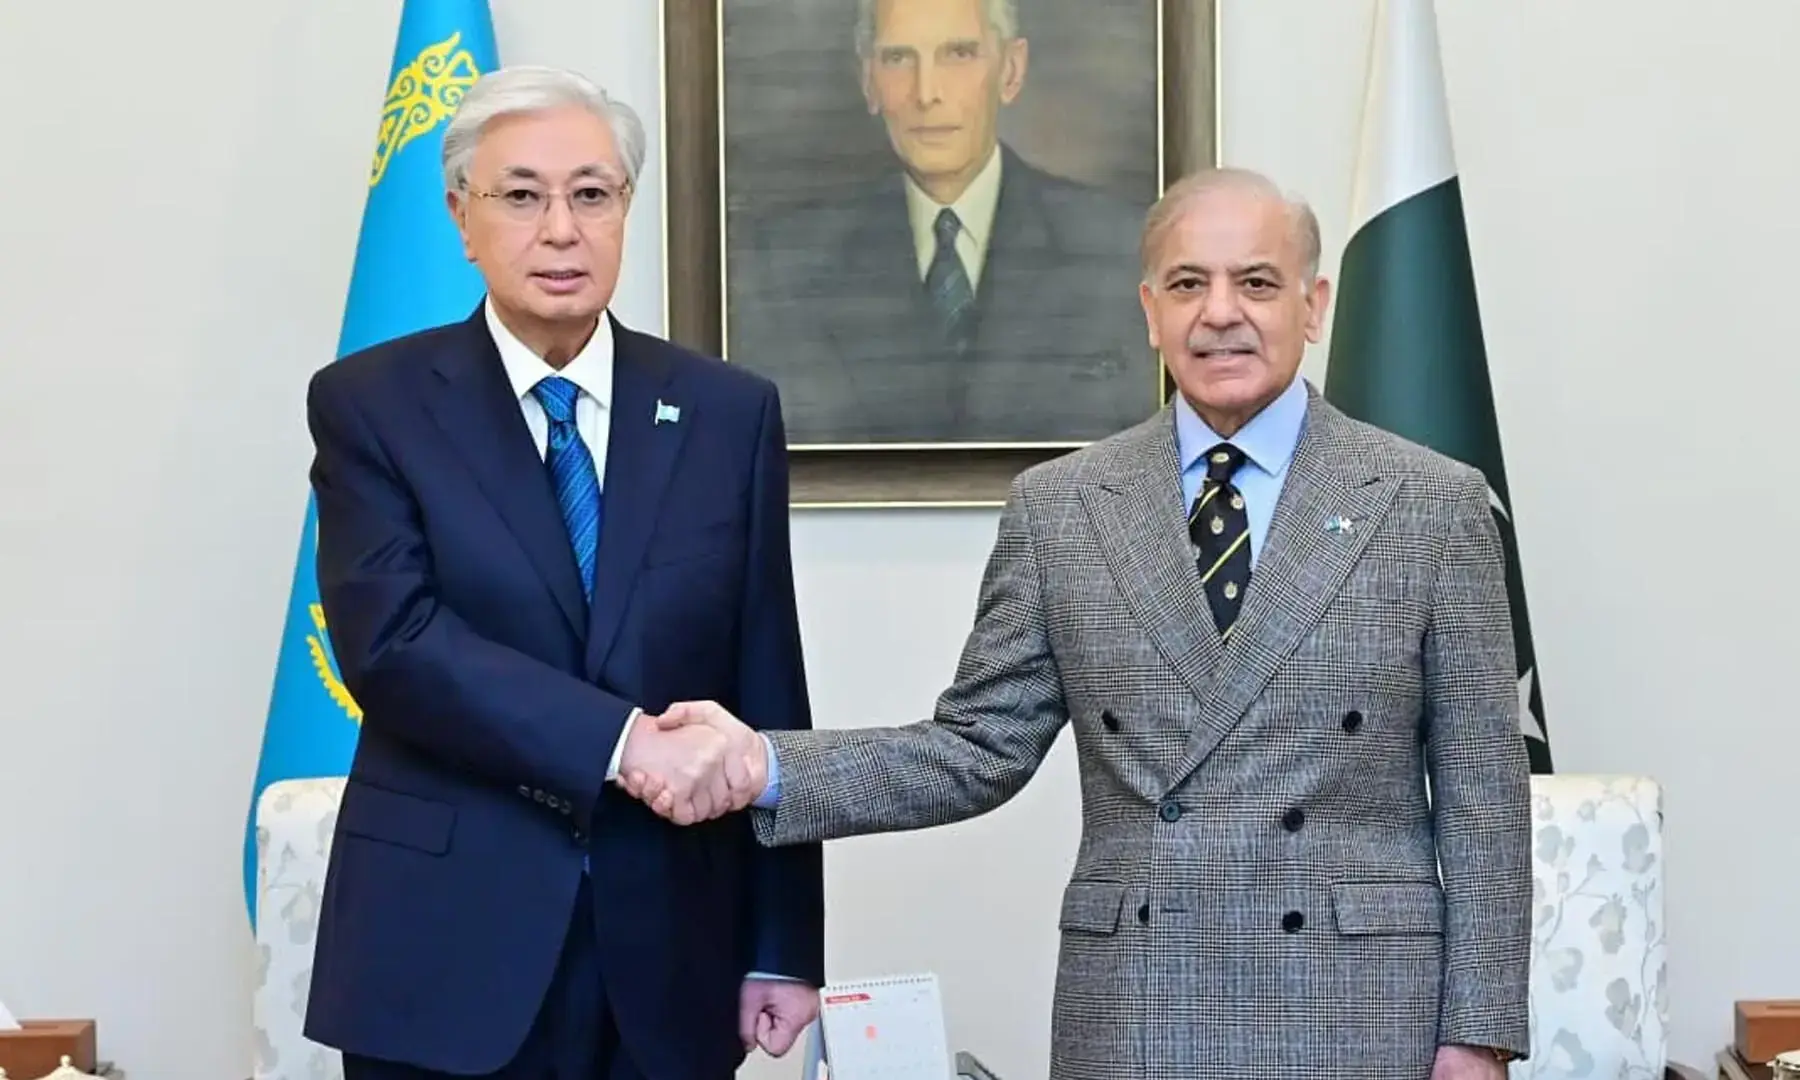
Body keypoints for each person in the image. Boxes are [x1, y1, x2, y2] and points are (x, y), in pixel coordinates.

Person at [631, 167, 1534, 1079]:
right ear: (1151, 311)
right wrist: (765, 764)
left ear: (1314, 303)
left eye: (1256, 282)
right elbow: (976, 746)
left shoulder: (1430, 504)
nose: (1221, 313)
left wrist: (1481, 1031)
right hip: (1139, 1006)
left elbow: (1484, 796)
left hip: (1366, 1007)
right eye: (1189, 284)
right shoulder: (1063, 508)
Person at [300, 66, 823, 1080]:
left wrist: (781, 945)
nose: (561, 228)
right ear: (462, 216)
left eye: (592, 194)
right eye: (522, 194)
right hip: (448, 948)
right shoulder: (374, 404)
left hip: (674, 944)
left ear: (626, 209)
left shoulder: (726, 413)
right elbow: (395, 645)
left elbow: (768, 681)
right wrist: (621, 743)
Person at [730, 0, 1155, 445]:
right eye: (898, 58)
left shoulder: (1114, 247)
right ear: (868, 81)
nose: (927, 92)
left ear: (1010, 71)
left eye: (958, 54)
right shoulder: (786, 265)